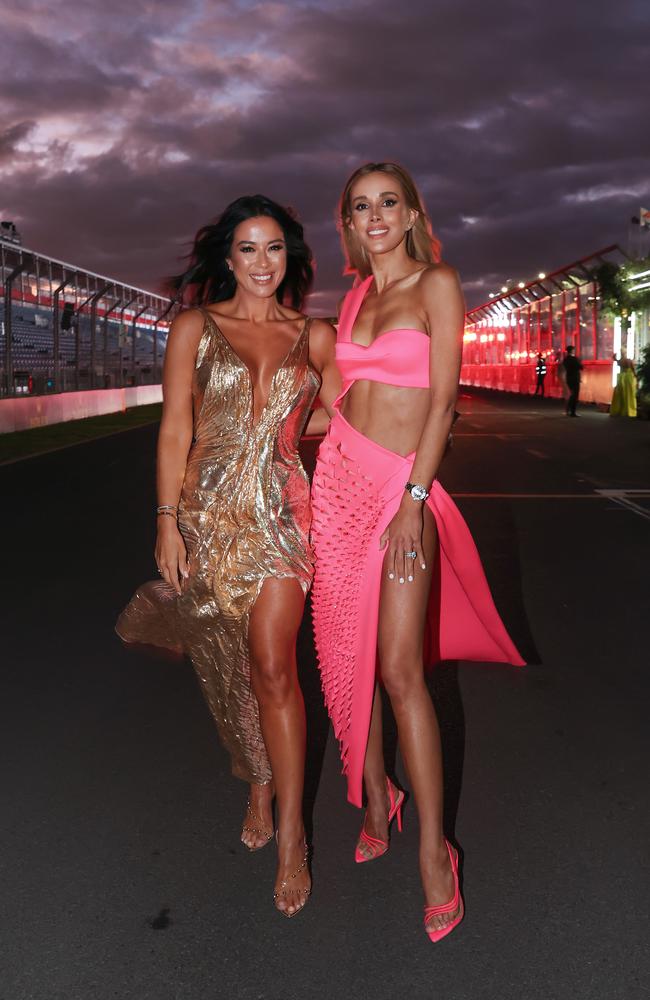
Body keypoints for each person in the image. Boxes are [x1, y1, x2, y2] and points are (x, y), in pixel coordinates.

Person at [309, 162, 524, 943]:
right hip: (338, 483)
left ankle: (436, 854)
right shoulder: (355, 298)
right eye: (359, 206)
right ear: (349, 223)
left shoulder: (437, 283)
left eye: (386, 203)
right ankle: (375, 792)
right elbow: (338, 395)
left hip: (403, 491)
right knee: (344, 654)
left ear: (410, 214)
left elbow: (442, 403)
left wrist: (413, 498)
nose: (374, 216)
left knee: (400, 668)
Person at [116, 196, 340, 917]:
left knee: (275, 663)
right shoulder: (194, 326)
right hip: (207, 517)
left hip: (281, 515)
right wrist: (167, 520)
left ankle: (292, 835)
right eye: (248, 248)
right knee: (230, 663)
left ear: (291, 256)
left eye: (274, 248)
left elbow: (346, 416)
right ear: (227, 257)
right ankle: (259, 779)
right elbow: (174, 426)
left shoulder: (316, 336)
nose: (262, 262)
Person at [610, 350, 637, 417]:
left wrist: (615, 356)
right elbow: (633, 369)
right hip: (628, 378)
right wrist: (636, 377)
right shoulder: (628, 361)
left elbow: (614, 358)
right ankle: (629, 411)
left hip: (621, 378)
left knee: (620, 395)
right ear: (625, 353)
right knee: (629, 394)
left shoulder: (620, 361)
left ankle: (619, 410)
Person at [561, 345, 583, 416]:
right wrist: (580, 362)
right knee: (575, 395)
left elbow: (565, 367)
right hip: (575, 378)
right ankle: (573, 412)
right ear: (572, 351)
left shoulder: (565, 359)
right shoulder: (575, 359)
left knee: (571, 394)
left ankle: (568, 410)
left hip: (569, 378)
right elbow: (580, 367)